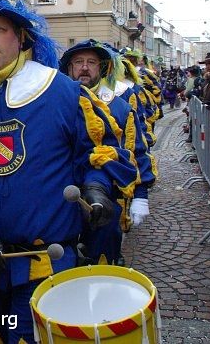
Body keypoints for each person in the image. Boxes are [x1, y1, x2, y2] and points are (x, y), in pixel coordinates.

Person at [0, 0, 137, 343]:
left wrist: (97, 186)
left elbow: (99, 152)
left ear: (22, 38)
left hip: (47, 263)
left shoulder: (62, 92)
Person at [59, 40, 156, 264]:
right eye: (78, 62)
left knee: (102, 264)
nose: (84, 67)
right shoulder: (56, 103)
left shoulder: (120, 106)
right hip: (62, 201)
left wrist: (141, 196)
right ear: (69, 68)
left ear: (101, 68)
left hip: (107, 203)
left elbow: (136, 151)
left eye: (91, 62)